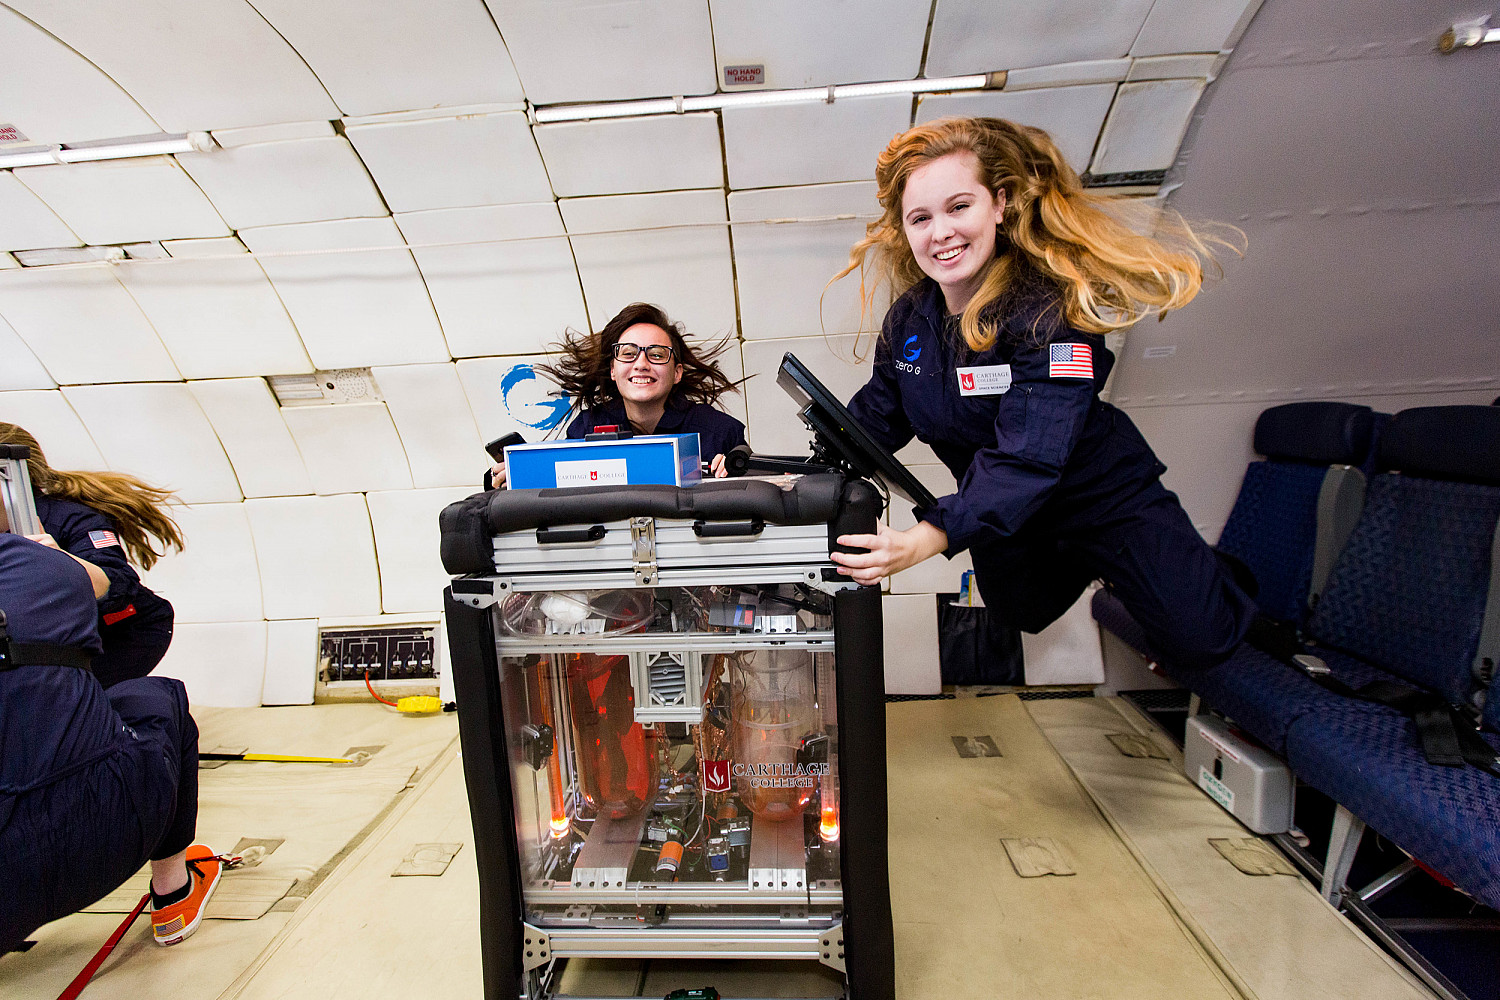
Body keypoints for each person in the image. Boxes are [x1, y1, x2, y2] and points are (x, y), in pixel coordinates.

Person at [828, 117, 1255, 670]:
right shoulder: (912, 319)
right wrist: (787, 473)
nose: (941, 232)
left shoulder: (1046, 310)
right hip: (1015, 514)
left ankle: (1212, 577)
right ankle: (1113, 566)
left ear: (999, 204)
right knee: (1021, 609)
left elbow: (1028, 456)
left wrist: (923, 539)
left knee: (1202, 640)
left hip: (1098, 498)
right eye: (921, 218)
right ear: (905, 231)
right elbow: (871, 425)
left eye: (960, 207)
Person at [0, 508, 220, 952]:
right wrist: (60, 562)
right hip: (90, 846)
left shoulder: (71, 517)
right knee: (159, 699)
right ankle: (174, 891)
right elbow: (106, 585)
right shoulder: (39, 564)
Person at [0, 423, 182, 689]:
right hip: (61, 635)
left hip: (126, 632)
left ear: (13, 478)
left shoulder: (72, 519)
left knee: (67, 702)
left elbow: (118, 583)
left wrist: (58, 559)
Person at [488, 303, 747, 487]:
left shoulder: (719, 431)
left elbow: (760, 485)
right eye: (628, 354)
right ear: (613, 370)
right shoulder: (586, 428)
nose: (641, 364)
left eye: (656, 355)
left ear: (677, 372)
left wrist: (736, 470)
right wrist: (520, 474)